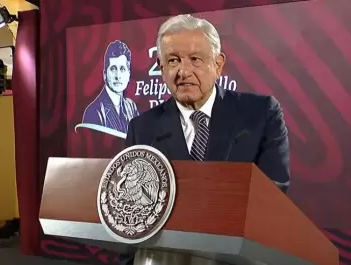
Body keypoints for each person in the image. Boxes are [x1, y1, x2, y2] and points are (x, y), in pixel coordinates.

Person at [120, 14, 290, 265]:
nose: (183, 71)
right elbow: (130, 214)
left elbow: (273, 194)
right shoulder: (142, 128)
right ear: (161, 67)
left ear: (218, 64)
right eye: (173, 60)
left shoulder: (260, 113)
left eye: (195, 59)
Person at [81, 40, 140, 135]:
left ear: (128, 74)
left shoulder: (131, 107)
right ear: (104, 74)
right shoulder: (94, 112)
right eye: (113, 69)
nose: (118, 76)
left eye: (122, 69)